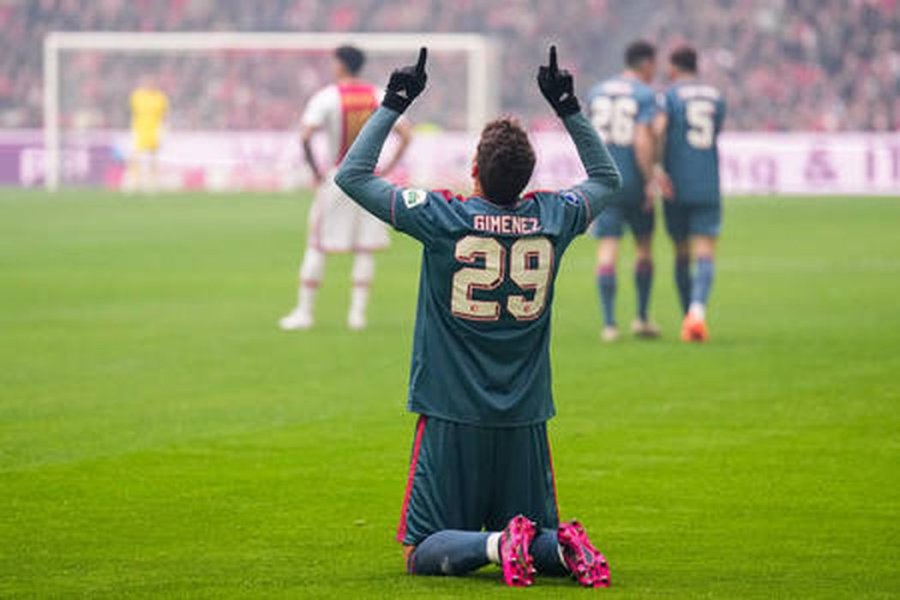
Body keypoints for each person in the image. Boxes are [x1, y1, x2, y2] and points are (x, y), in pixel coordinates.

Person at [335, 46, 619, 588]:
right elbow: (607, 180)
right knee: (538, 530)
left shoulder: (444, 217)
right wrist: (570, 109)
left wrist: (394, 102)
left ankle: (496, 544)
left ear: (473, 171)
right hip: (525, 416)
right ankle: (559, 548)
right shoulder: (553, 216)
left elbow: (353, 175)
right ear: (530, 174)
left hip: (451, 411)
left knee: (422, 550)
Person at [279, 45, 412, 331]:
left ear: (340, 64)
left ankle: (304, 312)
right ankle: (357, 315)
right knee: (365, 247)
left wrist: (316, 172)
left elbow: (305, 137)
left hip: (338, 177)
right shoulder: (378, 95)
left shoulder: (326, 97)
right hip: (371, 180)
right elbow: (406, 134)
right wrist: (387, 168)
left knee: (317, 244)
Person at [586, 40, 663, 342]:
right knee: (643, 248)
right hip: (632, 179)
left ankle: (609, 324)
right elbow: (642, 141)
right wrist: (649, 180)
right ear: (645, 63)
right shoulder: (644, 95)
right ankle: (642, 318)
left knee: (607, 249)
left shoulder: (597, 92)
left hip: (604, 182)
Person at [653, 46, 726, 342]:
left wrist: (657, 168)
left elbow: (658, 130)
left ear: (673, 68)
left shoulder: (668, 96)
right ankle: (696, 313)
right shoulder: (716, 97)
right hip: (707, 182)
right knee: (705, 251)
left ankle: (688, 316)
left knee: (681, 252)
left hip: (676, 184)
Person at [128, 75, 168, 192]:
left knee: (152, 158)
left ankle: (152, 183)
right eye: (147, 82)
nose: (149, 84)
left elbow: (164, 115)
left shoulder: (160, 97)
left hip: (154, 131)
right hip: (140, 131)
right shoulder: (136, 96)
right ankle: (134, 182)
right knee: (136, 157)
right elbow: (133, 113)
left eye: (151, 82)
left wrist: (164, 130)